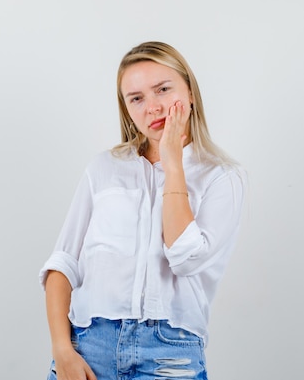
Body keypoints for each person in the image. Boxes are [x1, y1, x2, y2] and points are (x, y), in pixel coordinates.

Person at [38, 41, 245, 380]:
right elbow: (63, 264)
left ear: (190, 92)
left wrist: (172, 161)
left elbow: (184, 257)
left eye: (163, 89)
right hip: (88, 347)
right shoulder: (103, 168)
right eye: (136, 98)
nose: (153, 107)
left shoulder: (222, 178)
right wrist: (62, 349)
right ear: (126, 108)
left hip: (169, 355)